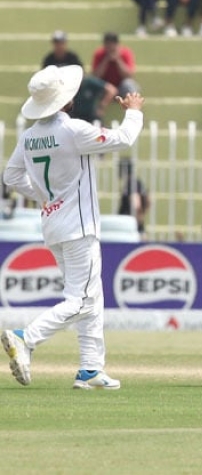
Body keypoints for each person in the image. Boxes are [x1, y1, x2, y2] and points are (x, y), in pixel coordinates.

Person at [1, 65, 145, 390]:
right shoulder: (73, 130)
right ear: (65, 100)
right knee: (81, 300)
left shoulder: (29, 136)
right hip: (79, 226)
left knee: (91, 297)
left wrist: (45, 196)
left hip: (53, 225)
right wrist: (134, 111)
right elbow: (123, 139)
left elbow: (11, 176)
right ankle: (26, 337)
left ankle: (90, 369)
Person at [92, 32, 141, 99]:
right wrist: (106, 60)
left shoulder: (126, 53)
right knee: (93, 84)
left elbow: (129, 75)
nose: (110, 47)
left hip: (121, 87)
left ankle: (132, 104)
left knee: (128, 84)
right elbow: (96, 75)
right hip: (106, 88)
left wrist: (118, 60)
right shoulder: (99, 54)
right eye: (107, 44)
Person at [118, 158, 150, 237]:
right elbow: (148, 200)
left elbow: (136, 204)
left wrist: (137, 218)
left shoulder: (130, 184)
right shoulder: (138, 182)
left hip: (129, 226)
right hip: (137, 224)